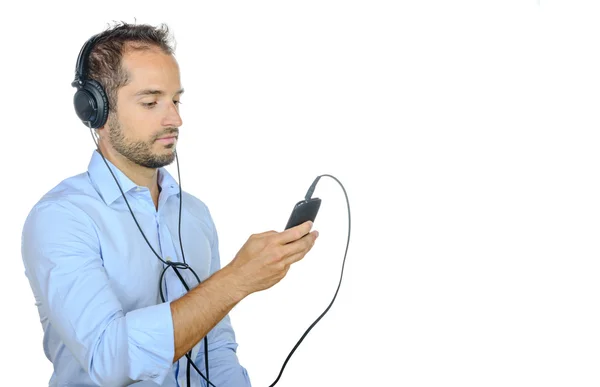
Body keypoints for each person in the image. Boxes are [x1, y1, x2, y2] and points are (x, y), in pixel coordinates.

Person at [20, 21, 319, 387]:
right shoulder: (61, 219)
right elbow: (108, 359)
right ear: (95, 110)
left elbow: (215, 345)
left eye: (175, 100)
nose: (175, 119)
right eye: (151, 102)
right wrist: (238, 279)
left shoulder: (193, 214)